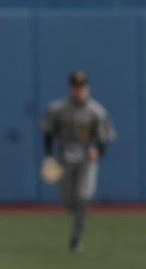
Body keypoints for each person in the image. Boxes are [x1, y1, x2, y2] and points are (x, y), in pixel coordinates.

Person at [41, 70, 116, 252]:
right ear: (70, 88)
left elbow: (105, 137)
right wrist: (49, 156)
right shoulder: (58, 109)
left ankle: (76, 239)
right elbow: (48, 133)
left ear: (87, 88)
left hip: (86, 158)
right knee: (69, 203)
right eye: (76, 86)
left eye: (82, 86)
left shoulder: (97, 111)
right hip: (65, 157)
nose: (79, 90)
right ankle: (76, 215)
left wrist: (98, 150)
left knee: (84, 197)